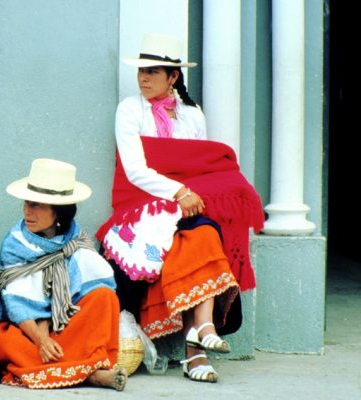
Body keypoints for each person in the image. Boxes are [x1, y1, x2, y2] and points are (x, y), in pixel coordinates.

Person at [95, 33, 265, 383]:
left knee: (201, 235)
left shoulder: (192, 115)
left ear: (173, 77)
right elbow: (135, 170)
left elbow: (200, 166)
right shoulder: (129, 109)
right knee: (198, 235)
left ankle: (198, 333)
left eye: (153, 71)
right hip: (143, 202)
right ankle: (198, 342)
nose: (143, 77)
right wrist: (179, 191)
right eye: (141, 70)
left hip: (183, 203)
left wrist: (188, 193)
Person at [0, 158, 127, 391]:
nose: (27, 211)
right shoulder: (14, 244)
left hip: (60, 324)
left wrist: (50, 333)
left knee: (104, 298)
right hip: (22, 327)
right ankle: (90, 373)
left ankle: (69, 368)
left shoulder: (75, 240)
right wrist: (42, 340)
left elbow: (87, 291)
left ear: (58, 212)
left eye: (37, 205)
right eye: (26, 203)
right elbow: (17, 306)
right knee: (8, 344)